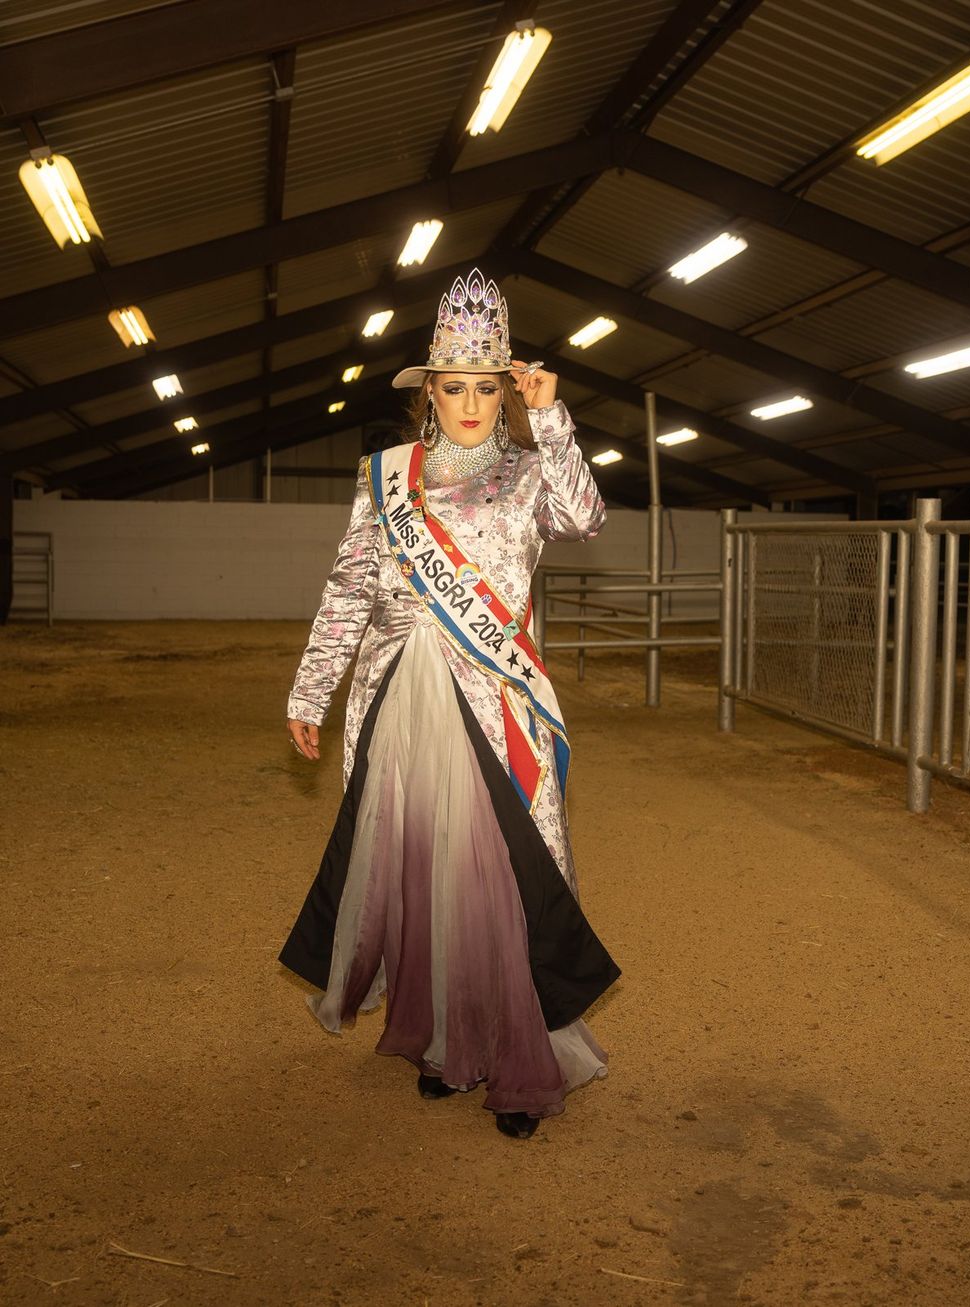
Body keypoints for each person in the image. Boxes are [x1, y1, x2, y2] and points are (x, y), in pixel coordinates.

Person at [279, 267, 620, 1140]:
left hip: (494, 704)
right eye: (453, 385)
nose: (469, 401)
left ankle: (517, 1058)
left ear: (503, 390)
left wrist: (550, 415)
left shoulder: (528, 472)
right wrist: (313, 686)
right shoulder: (385, 477)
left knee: (505, 878)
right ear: (428, 392)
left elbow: (587, 518)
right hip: (401, 703)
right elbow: (349, 589)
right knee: (426, 873)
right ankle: (442, 1043)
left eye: (484, 386)